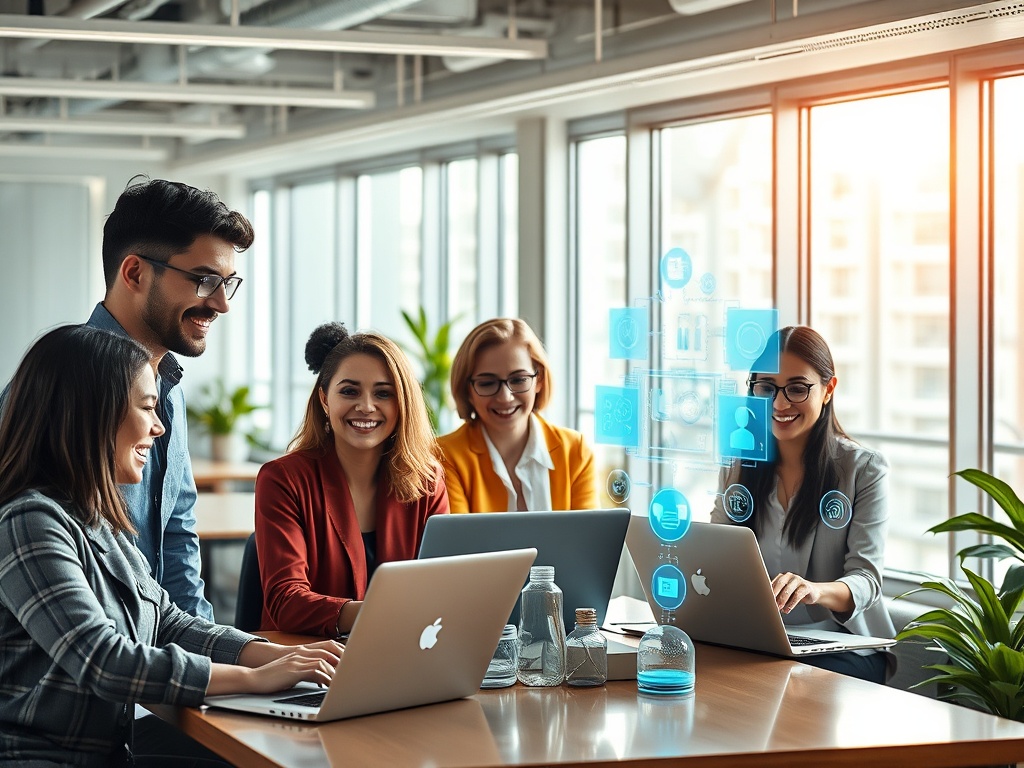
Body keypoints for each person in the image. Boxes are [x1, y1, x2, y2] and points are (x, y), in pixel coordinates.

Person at [0, 325, 342, 768]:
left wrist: (279, 656)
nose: (159, 426)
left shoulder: (98, 517)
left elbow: (168, 622)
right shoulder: (29, 521)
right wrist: (256, 679)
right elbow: (103, 661)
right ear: (91, 412)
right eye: (147, 407)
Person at [0, 177, 253, 620]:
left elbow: (176, 544)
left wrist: (213, 651)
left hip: (159, 651)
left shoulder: (169, 389)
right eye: (204, 280)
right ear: (135, 273)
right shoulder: (56, 391)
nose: (221, 304)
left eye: (227, 283)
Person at [710, 325, 895, 683]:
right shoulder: (738, 466)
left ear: (828, 390)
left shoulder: (864, 470)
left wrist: (814, 590)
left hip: (844, 645)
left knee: (779, 682)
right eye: (766, 388)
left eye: (797, 388)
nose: (780, 404)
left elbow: (866, 580)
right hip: (763, 642)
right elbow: (715, 554)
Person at [255, 322, 448, 637]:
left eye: (383, 393)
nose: (366, 406)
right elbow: (286, 602)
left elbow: (442, 587)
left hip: (405, 649)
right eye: (349, 391)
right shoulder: (283, 479)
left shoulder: (426, 482)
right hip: (309, 655)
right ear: (324, 399)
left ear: (402, 403)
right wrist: (385, 614)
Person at [439, 318, 597, 513]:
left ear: (539, 380)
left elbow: (589, 532)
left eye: (518, 379)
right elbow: (460, 534)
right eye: (487, 383)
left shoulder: (575, 451)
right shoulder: (444, 457)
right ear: (467, 390)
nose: (505, 397)